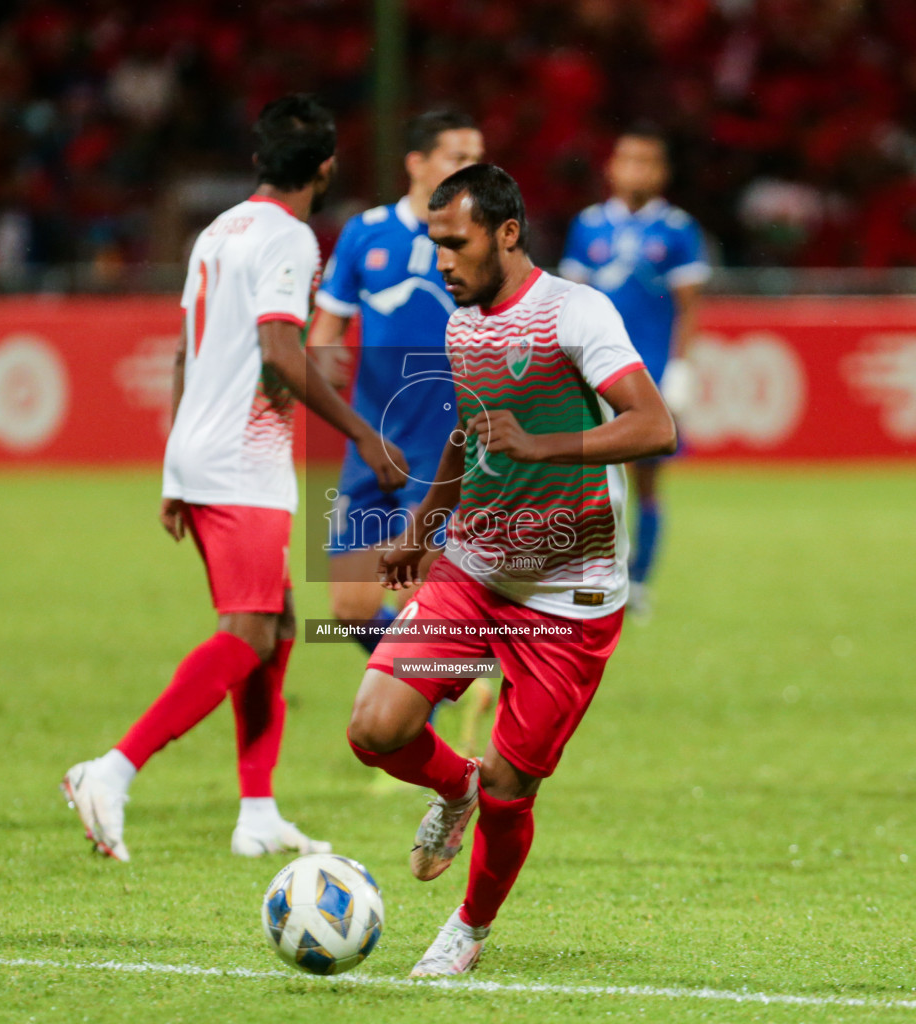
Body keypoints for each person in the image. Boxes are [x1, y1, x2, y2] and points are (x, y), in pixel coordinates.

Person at [344, 164, 677, 976]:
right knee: (376, 729)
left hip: (570, 599)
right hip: (473, 573)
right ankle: (451, 788)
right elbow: (469, 433)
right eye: (434, 246)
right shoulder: (463, 325)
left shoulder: (576, 312)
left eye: (455, 244)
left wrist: (545, 445)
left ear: (507, 234)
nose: (442, 263)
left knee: (513, 789)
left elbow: (654, 424)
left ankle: (468, 929)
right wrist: (423, 529)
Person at [62, 95, 408, 863]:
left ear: (257, 162)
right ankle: (112, 771)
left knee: (275, 625)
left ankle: (256, 811)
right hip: (242, 463)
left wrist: (172, 465)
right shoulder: (290, 239)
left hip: (201, 450)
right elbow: (283, 354)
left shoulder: (216, 231)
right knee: (249, 631)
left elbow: (186, 352)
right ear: (326, 167)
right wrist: (362, 435)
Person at [307, 110, 483, 650]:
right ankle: (464, 672)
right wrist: (322, 358)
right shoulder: (365, 233)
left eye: (478, 159)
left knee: (418, 606)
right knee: (351, 611)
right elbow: (325, 329)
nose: (471, 169)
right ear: (418, 163)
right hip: (372, 441)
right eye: (459, 158)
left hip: (443, 446)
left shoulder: (482, 241)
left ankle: (417, 720)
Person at [559, 127, 709, 619]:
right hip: (593, 373)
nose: (636, 171)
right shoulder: (588, 226)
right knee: (591, 478)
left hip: (649, 374)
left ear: (661, 172)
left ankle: (638, 580)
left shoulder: (678, 230)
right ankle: (598, 574)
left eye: (647, 162)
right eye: (628, 160)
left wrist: (681, 368)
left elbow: (689, 308)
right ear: (612, 168)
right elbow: (570, 301)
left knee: (644, 479)